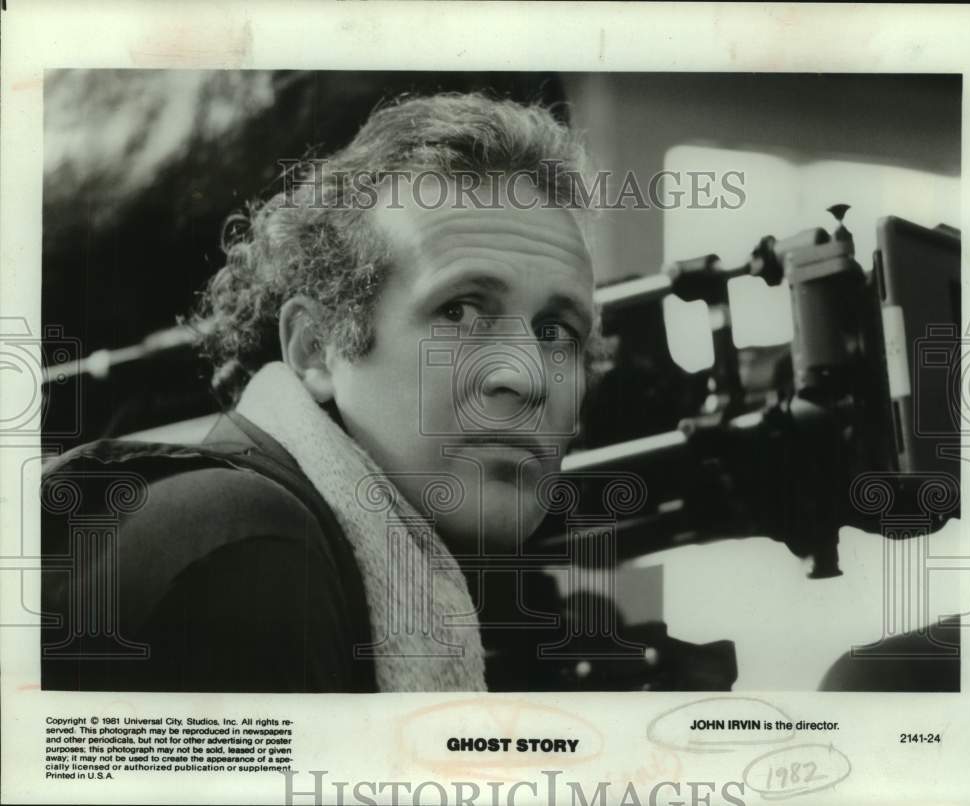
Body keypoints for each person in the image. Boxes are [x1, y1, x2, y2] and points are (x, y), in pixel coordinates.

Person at [40, 93, 601, 693]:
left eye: (556, 332)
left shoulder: (289, 536)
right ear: (314, 347)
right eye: (460, 311)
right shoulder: (252, 551)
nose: (526, 377)